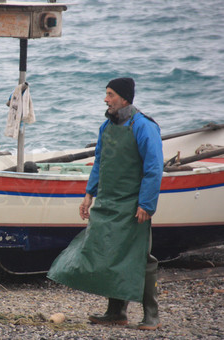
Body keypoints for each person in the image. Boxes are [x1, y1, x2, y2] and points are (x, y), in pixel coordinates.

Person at [47, 78, 164, 330]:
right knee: (110, 254)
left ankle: (151, 315)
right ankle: (116, 312)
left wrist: (146, 204)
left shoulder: (144, 127)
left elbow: (154, 169)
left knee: (141, 258)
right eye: (106, 94)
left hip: (134, 205)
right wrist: (89, 194)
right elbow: (99, 162)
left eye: (110, 94)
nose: (105, 99)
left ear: (124, 98)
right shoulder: (105, 127)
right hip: (108, 202)